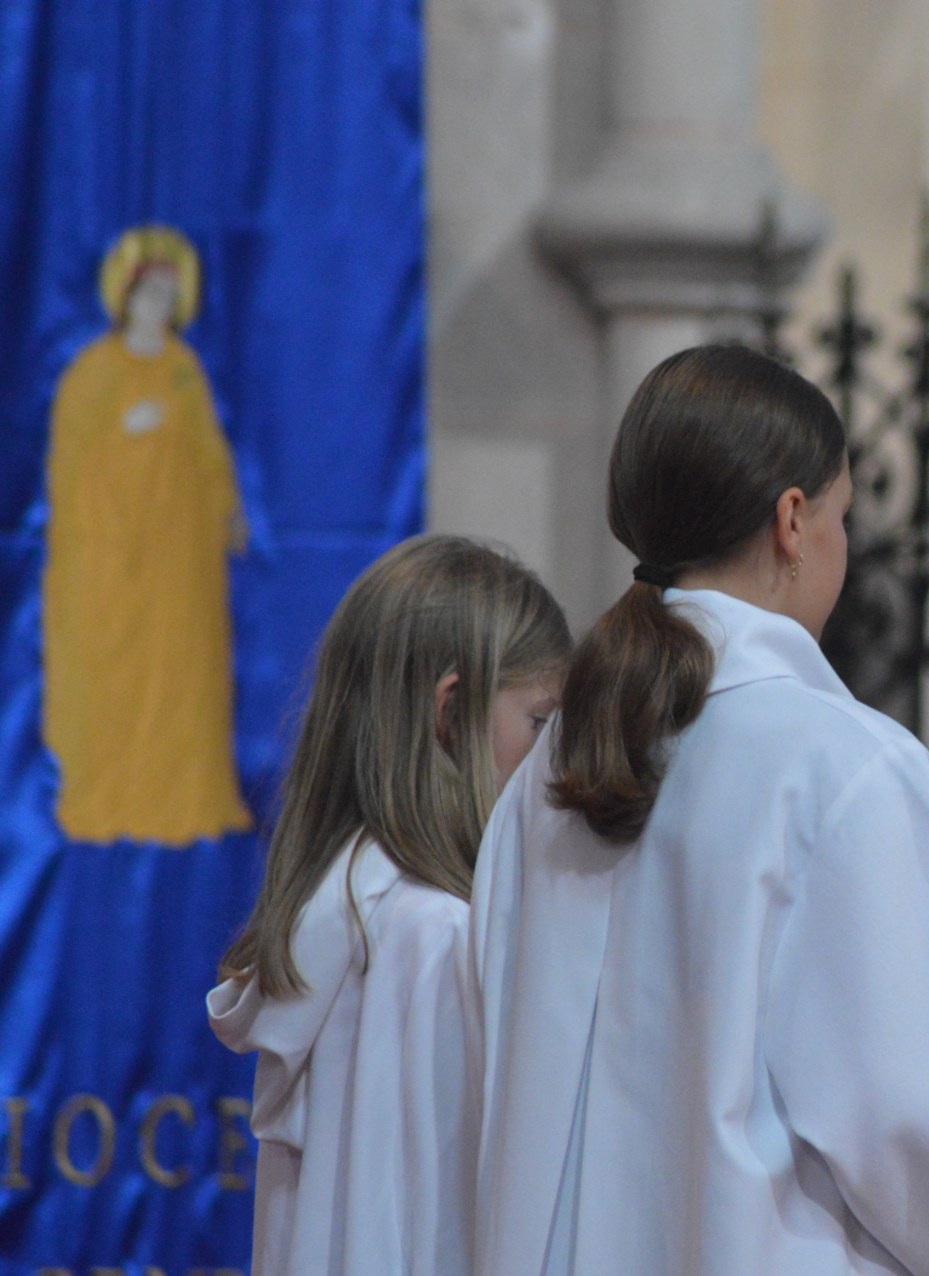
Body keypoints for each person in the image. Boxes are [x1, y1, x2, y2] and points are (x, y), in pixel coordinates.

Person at [469, 344, 929, 1276]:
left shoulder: (548, 771)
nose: (843, 548)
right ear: (794, 520)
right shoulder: (843, 766)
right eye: (844, 517)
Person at [207, 534, 569, 1276]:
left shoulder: (345, 905)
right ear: (451, 713)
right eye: (540, 722)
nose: (554, 762)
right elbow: (449, 1231)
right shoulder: (438, 938)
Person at [43, 224, 252, 844]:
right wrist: (123, 437)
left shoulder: (184, 370)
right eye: (149, 294)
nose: (158, 306)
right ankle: (114, 796)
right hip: (114, 566)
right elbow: (70, 471)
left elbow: (208, 450)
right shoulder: (90, 375)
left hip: (179, 561)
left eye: (169, 296)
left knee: (182, 677)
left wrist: (227, 507)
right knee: (118, 685)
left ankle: (183, 799)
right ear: (126, 300)